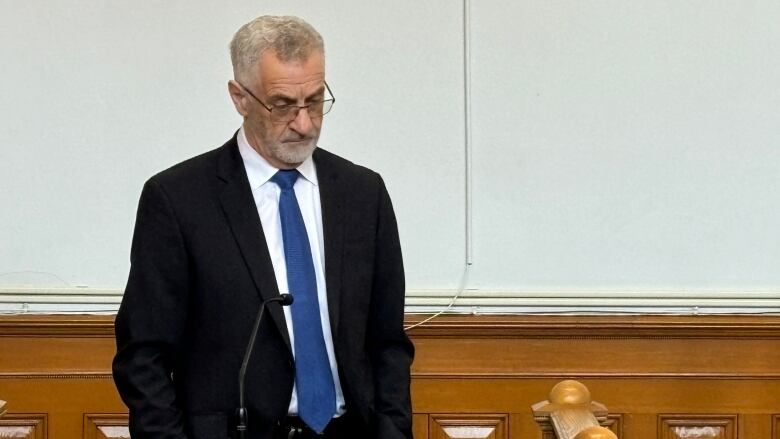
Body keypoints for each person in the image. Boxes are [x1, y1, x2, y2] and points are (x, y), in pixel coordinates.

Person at [112, 15, 414, 439]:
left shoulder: (363, 194)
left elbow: (387, 343)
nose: (304, 122)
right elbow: (144, 355)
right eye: (283, 104)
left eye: (314, 100)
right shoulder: (178, 199)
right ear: (240, 97)